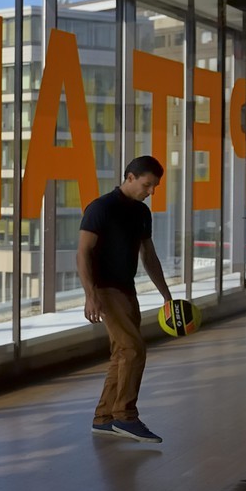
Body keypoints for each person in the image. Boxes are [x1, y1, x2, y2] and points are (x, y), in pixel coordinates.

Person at [79, 155, 172, 443]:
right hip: (106, 289)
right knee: (134, 350)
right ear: (130, 177)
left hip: (126, 288)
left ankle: (104, 418)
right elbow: (83, 252)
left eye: (155, 186)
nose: (152, 191)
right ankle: (125, 416)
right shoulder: (101, 208)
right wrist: (90, 295)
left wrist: (167, 296)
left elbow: (149, 256)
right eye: (148, 185)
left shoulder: (142, 213)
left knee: (122, 353)